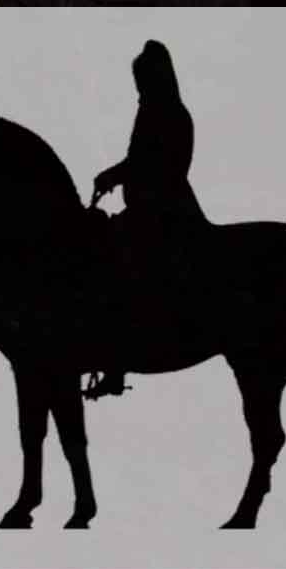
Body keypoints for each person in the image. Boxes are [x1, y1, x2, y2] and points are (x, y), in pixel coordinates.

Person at [82, 37, 210, 394]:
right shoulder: (155, 111)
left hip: (163, 210)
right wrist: (116, 175)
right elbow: (138, 161)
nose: (138, 88)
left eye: (143, 81)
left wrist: (117, 174)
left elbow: (155, 164)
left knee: (114, 264)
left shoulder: (168, 114)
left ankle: (116, 361)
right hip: (148, 206)